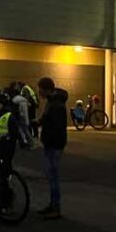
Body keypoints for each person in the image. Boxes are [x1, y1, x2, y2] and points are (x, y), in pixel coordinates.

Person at [36, 77, 68, 220]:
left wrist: (46, 133)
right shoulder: (52, 102)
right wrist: (38, 122)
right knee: (51, 175)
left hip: (54, 144)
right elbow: (46, 119)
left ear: (46, 89)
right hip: (52, 143)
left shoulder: (56, 105)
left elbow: (56, 126)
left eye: (40, 89)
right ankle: (53, 204)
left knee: (52, 175)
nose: (38, 92)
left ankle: (56, 207)